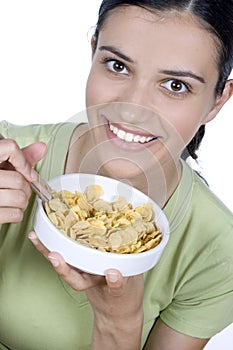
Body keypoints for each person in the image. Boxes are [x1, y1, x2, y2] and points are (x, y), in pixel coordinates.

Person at [0, 0, 233, 349]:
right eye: (117, 65)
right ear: (93, 51)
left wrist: (118, 323)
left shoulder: (218, 252)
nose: (133, 110)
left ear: (217, 101)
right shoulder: (7, 156)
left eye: (175, 86)